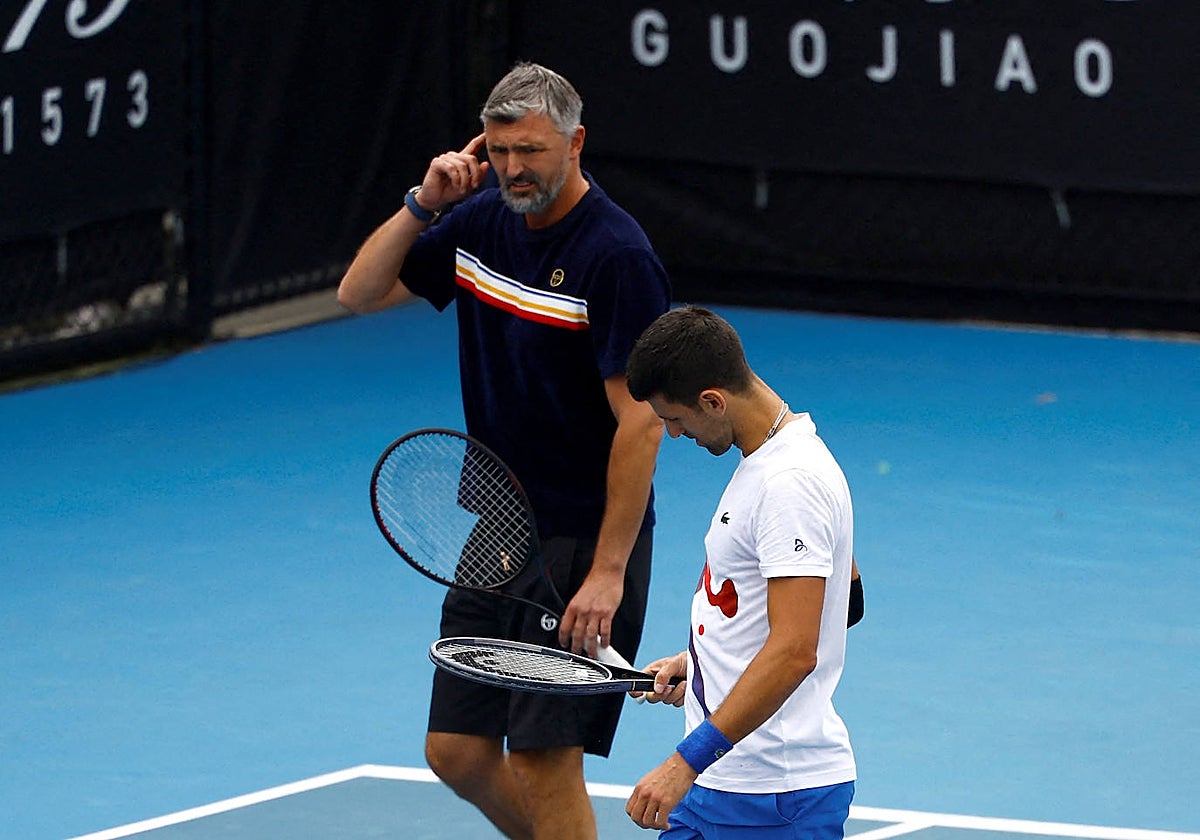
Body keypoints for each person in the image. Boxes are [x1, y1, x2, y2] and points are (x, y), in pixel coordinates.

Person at [337, 62, 670, 839]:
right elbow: (358, 292)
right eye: (500, 149)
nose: (514, 168)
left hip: (584, 534)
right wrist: (423, 205)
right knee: (454, 750)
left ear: (575, 142)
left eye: (531, 150)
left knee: (545, 760)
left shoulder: (616, 256)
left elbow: (643, 423)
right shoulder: (479, 221)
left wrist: (608, 575)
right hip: (499, 525)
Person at [623, 306, 857, 838]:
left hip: (774, 797)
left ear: (713, 400)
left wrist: (683, 763)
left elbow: (798, 649)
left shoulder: (790, 482)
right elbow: (846, 600)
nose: (673, 434)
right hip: (723, 781)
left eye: (675, 418)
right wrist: (705, 661)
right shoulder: (770, 464)